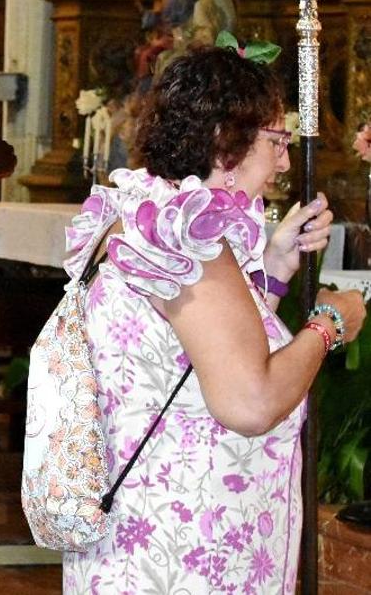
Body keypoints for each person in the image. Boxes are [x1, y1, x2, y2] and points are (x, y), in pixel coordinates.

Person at [61, 46, 365, 594]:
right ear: (227, 141)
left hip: (140, 532)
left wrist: (272, 268)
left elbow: (200, 355)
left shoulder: (144, 215)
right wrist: (328, 324)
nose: (284, 162)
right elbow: (249, 403)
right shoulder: (191, 245)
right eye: (276, 142)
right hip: (191, 548)